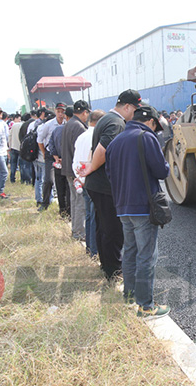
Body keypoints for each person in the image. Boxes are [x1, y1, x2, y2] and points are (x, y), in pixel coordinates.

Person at [105, 105, 170, 318]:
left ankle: (130, 296)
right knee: (147, 256)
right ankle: (146, 306)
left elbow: (109, 174)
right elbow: (161, 171)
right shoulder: (146, 138)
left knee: (130, 252)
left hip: (122, 207)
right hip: (143, 205)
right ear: (151, 121)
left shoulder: (115, 142)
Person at [80, 89, 141, 281]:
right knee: (113, 230)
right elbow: (102, 150)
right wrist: (91, 167)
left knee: (102, 227)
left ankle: (106, 265)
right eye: (134, 110)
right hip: (105, 185)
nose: (134, 114)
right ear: (127, 107)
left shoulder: (106, 119)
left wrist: (91, 168)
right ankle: (113, 271)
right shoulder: (116, 123)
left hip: (98, 185)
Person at [73, 109, 104, 256]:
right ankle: (94, 250)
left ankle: (90, 248)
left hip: (82, 179)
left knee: (89, 216)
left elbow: (76, 159)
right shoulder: (98, 136)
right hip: (92, 181)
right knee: (96, 217)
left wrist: (79, 178)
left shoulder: (81, 136)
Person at [60, 100, 89, 240]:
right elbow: (81, 152)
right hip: (76, 170)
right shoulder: (79, 127)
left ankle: (75, 229)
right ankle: (78, 232)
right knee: (80, 202)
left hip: (68, 168)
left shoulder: (69, 124)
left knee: (74, 200)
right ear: (84, 112)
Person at [37, 102, 66, 211]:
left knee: (63, 180)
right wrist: (44, 153)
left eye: (62, 112)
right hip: (50, 154)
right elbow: (39, 140)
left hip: (63, 155)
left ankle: (63, 205)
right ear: (55, 112)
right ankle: (45, 203)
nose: (60, 114)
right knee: (48, 179)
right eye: (58, 112)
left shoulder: (67, 123)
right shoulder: (48, 125)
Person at [47, 113, 70, 219]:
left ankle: (62, 211)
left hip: (58, 163)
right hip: (69, 163)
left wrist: (56, 157)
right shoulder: (74, 129)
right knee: (69, 188)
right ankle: (69, 211)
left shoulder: (56, 130)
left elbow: (50, 145)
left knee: (60, 188)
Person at [8, 113, 22, 183]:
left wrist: (10, 146)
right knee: (21, 165)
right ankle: (23, 179)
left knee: (13, 164)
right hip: (20, 148)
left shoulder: (13, 126)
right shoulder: (22, 125)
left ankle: (12, 178)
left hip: (13, 147)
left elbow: (9, 136)